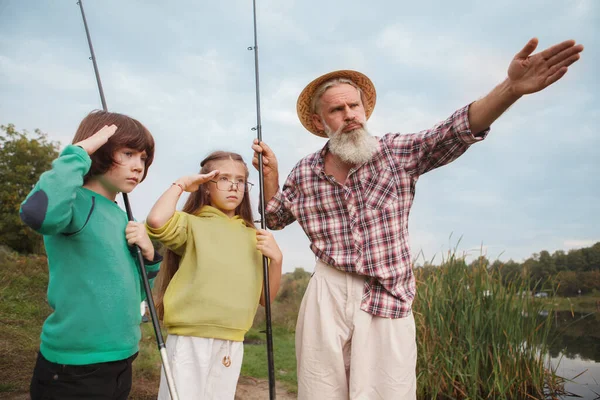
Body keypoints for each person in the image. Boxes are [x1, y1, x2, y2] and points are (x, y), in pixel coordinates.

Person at [251, 38, 584, 399]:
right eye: (337, 110)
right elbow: (276, 217)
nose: (349, 114)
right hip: (326, 292)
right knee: (319, 391)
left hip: (386, 293)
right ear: (319, 121)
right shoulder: (304, 172)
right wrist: (271, 176)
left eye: (354, 106)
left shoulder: (395, 153)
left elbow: (452, 132)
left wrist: (511, 89)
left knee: (387, 392)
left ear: (364, 110)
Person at [20, 110, 162, 400]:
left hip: (121, 358)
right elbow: (37, 214)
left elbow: (135, 290)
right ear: (99, 150)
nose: (138, 166)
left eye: (143, 158)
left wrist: (149, 256)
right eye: (128, 153)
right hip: (74, 367)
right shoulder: (74, 203)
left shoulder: (122, 218)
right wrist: (80, 151)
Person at [146, 150, 283, 400]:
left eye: (240, 180)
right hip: (189, 338)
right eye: (222, 178)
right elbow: (156, 221)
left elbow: (266, 299)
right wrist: (182, 185)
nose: (233, 186)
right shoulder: (190, 223)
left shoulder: (255, 236)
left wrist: (277, 260)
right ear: (206, 186)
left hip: (232, 340)